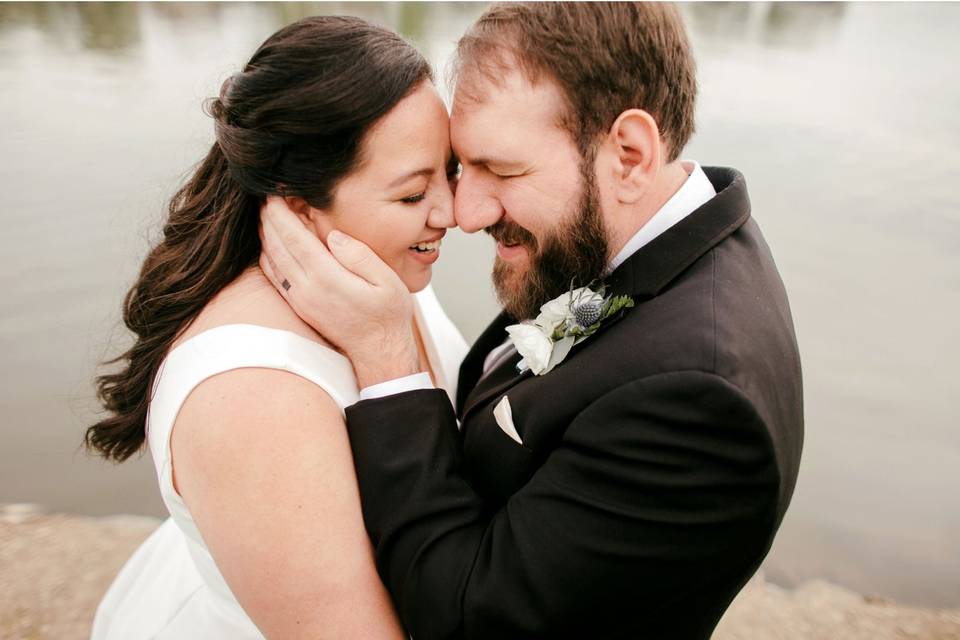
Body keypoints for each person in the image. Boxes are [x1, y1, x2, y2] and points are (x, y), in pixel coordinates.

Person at [259, 3, 804, 639]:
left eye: (503, 169)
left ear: (629, 154)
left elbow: (470, 624)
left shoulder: (696, 404)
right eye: (465, 166)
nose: (464, 211)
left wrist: (386, 359)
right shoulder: (646, 248)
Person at [87, 16, 465, 639]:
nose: (451, 213)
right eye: (410, 195)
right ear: (297, 206)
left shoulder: (366, 278)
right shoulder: (250, 395)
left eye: (446, 172)